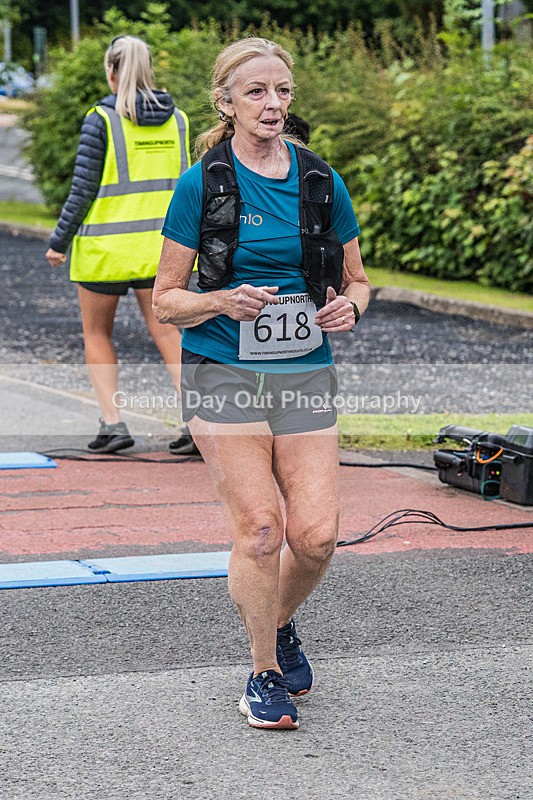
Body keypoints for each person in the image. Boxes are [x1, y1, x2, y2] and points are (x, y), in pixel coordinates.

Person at [153, 37, 371, 729]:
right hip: (221, 365)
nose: (272, 104)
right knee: (260, 531)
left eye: (281, 92)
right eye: (256, 92)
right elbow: (165, 299)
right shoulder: (203, 183)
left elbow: (359, 281)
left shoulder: (318, 179)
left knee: (316, 536)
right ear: (226, 102)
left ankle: (276, 621)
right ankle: (261, 674)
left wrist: (348, 307)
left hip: (303, 369)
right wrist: (221, 301)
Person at [45, 35, 192, 454]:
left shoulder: (101, 119)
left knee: (97, 334)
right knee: (168, 334)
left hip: (105, 252)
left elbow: (83, 189)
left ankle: (113, 425)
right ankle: (196, 424)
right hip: (162, 250)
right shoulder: (178, 119)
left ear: (111, 71)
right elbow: (187, 188)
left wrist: (60, 241)